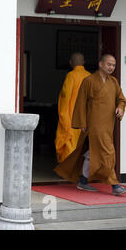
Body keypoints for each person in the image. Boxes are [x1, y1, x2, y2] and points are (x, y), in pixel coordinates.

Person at [54, 54, 126, 195]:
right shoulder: (89, 81)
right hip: (94, 123)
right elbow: (80, 102)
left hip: (108, 125)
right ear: (100, 64)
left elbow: (121, 99)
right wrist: (81, 122)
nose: (111, 67)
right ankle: (114, 184)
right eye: (109, 64)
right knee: (108, 151)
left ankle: (83, 181)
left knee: (92, 154)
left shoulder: (114, 82)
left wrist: (120, 108)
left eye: (113, 65)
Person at [54, 52, 91, 162]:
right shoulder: (90, 76)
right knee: (83, 144)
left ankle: (69, 171)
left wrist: (63, 115)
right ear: (84, 62)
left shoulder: (71, 75)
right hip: (86, 118)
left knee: (71, 144)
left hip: (72, 117)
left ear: (70, 62)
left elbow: (65, 96)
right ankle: (81, 170)